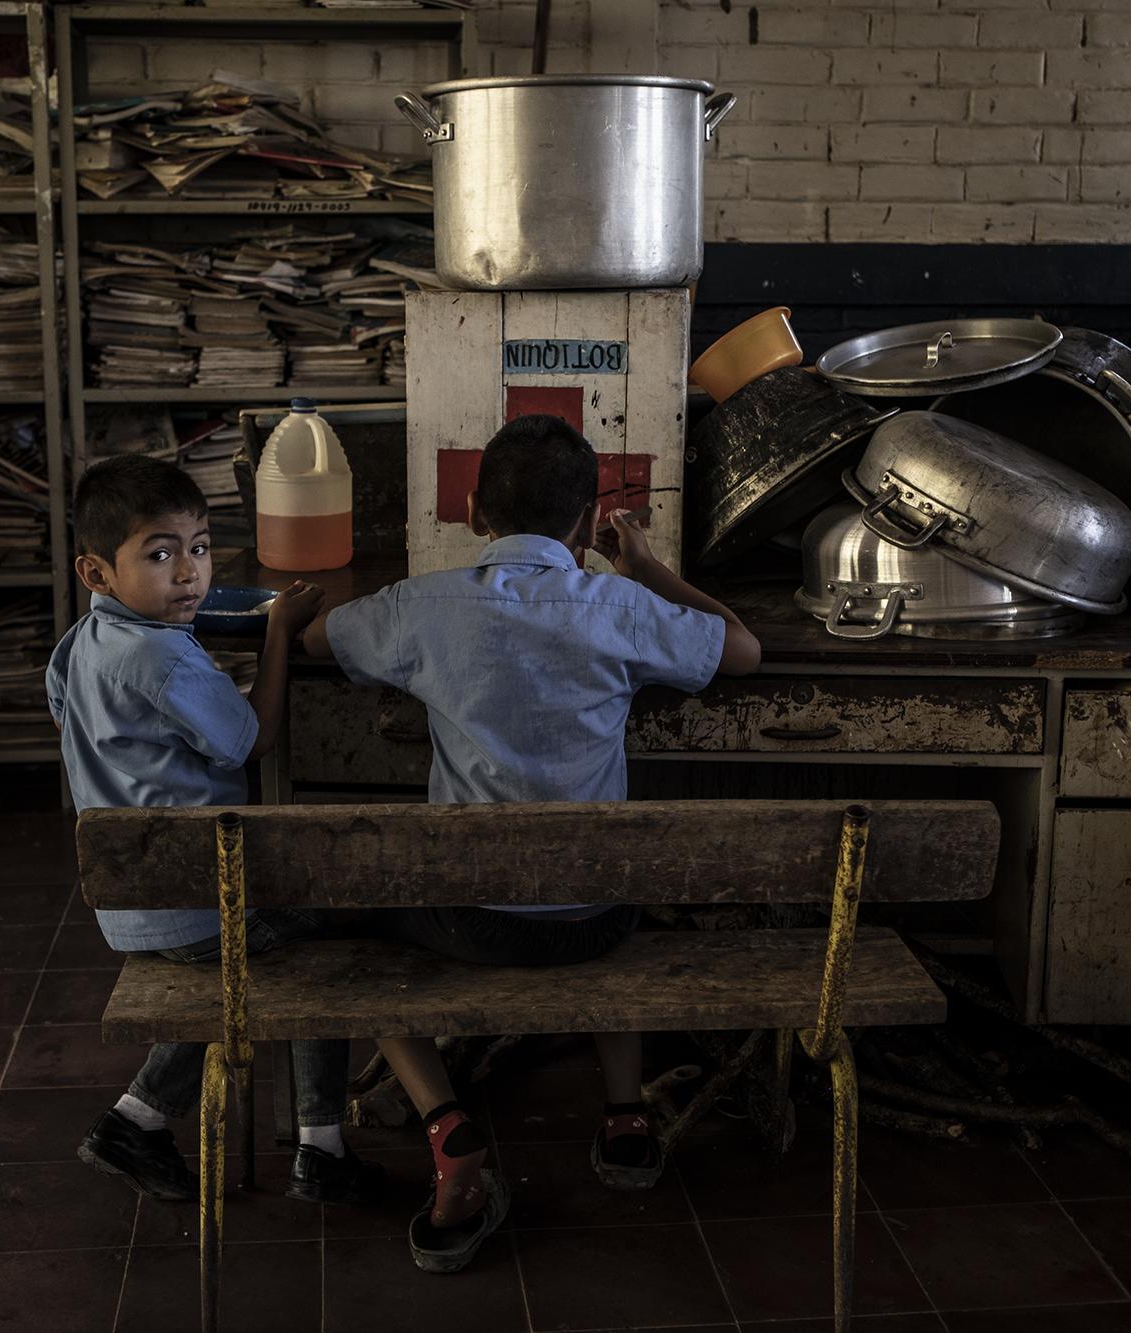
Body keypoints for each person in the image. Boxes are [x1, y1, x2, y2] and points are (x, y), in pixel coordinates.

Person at [302, 414, 761, 1271]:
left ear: (475, 512)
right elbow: (743, 649)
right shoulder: (620, 605)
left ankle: (445, 1121)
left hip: (467, 920)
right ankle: (625, 1115)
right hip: (598, 920)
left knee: (349, 937)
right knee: (607, 865)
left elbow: (316, 638)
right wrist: (653, 570)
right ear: (588, 523)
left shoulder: (423, 605)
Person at [46, 454, 380, 1209]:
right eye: (159, 554)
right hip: (197, 906)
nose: (189, 572)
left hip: (132, 904)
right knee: (322, 944)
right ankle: (320, 1145)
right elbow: (252, 737)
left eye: (198, 546)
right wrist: (278, 630)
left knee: (253, 967)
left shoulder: (81, 645)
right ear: (97, 572)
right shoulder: (162, 657)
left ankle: (137, 1118)